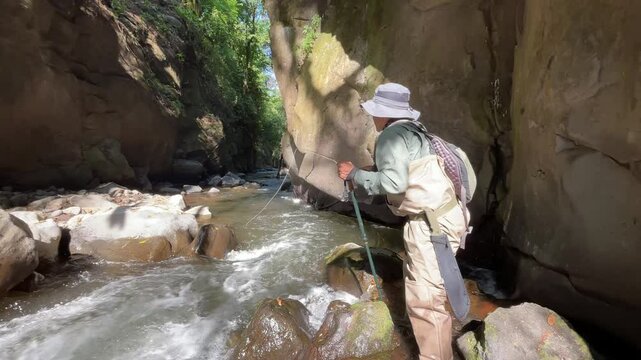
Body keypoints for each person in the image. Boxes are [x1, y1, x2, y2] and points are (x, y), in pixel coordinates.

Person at [337, 83, 469, 360]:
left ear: (384, 114)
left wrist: (354, 176)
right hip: (447, 217)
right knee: (431, 294)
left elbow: (394, 183)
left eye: (375, 112)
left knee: (425, 302)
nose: (373, 118)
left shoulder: (391, 136)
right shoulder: (417, 132)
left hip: (431, 226)